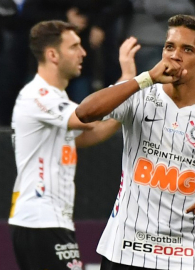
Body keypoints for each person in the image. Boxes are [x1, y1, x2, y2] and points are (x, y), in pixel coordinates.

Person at [75, 14, 195, 269]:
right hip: (126, 247)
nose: (175, 55)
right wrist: (143, 79)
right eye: (170, 47)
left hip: (185, 255)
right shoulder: (139, 94)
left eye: (187, 49)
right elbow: (84, 112)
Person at [8, 20, 123, 270]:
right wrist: (137, 84)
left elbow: (88, 135)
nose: (83, 52)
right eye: (74, 46)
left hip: (47, 221)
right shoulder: (39, 95)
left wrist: (128, 104)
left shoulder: (56, 99)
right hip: (40, 220)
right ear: (52, 55)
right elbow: (88, 119)